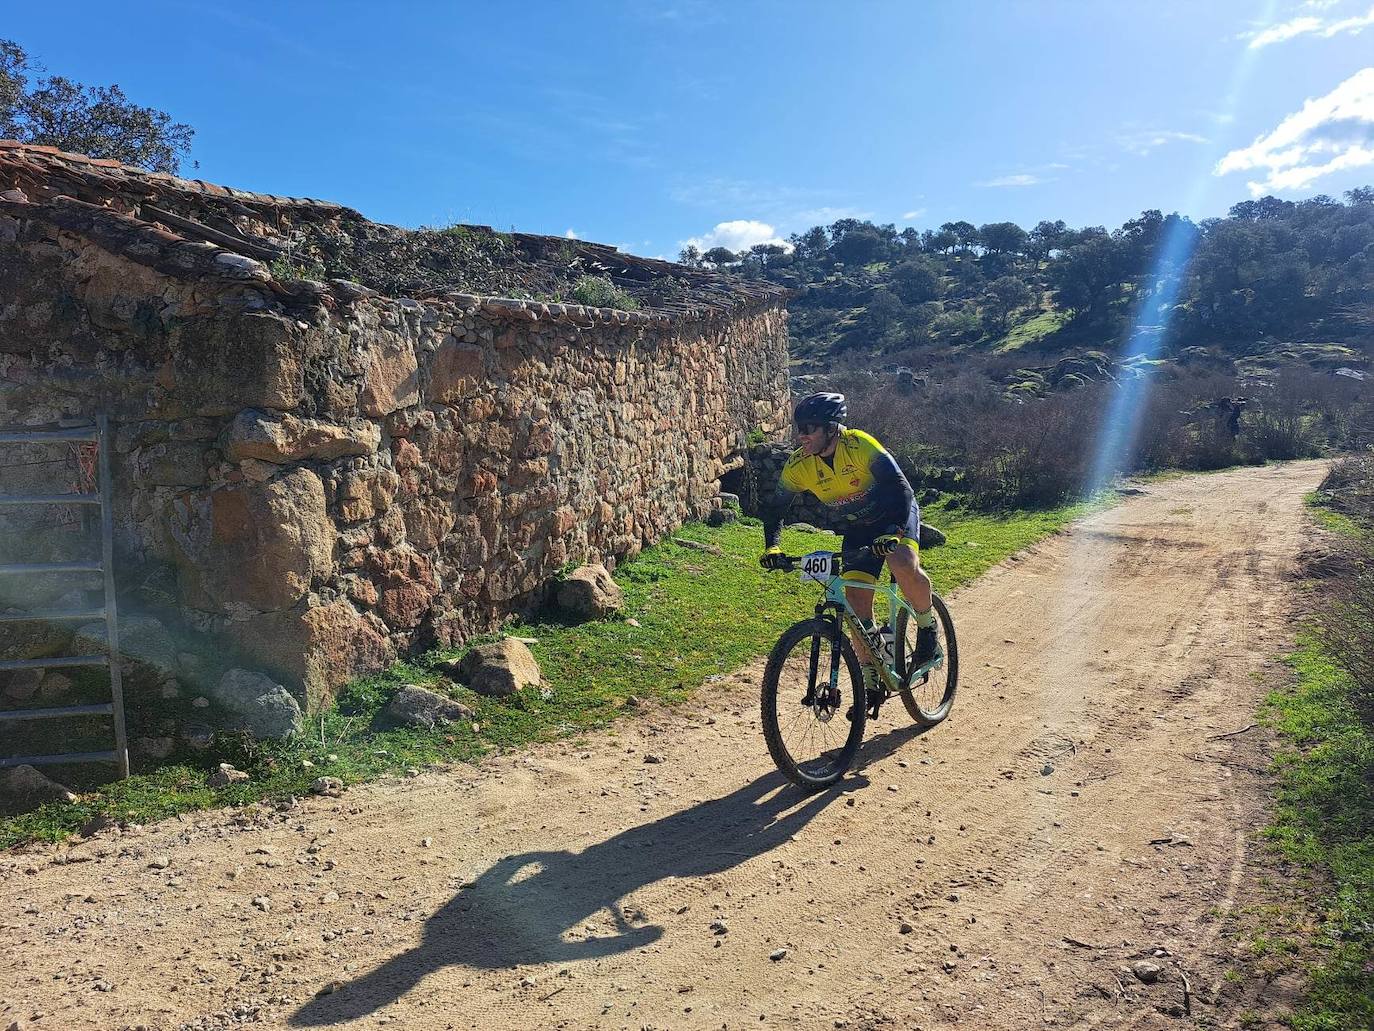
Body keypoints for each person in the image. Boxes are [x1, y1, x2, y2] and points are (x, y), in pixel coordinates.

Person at [758, 392, 937, 715]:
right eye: (800, 428)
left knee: (902, 564)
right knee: (854, 600)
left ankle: (927, 628)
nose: (802, 436)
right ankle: (870, 678)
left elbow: (901, 490)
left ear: (831, 428)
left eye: (809, 428)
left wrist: (893, 532)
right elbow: (775, 509)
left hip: (895, 514)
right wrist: (773, 545)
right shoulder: (800, 464)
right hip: (857, 528)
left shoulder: (859, 445)